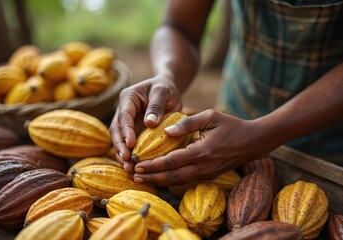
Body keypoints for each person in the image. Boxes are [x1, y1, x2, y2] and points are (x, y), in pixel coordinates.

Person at [109, 0, 343, 186]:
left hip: (330, 137)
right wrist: (166, 76)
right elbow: (178, 26)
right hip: (237, 111)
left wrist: (261, 134)